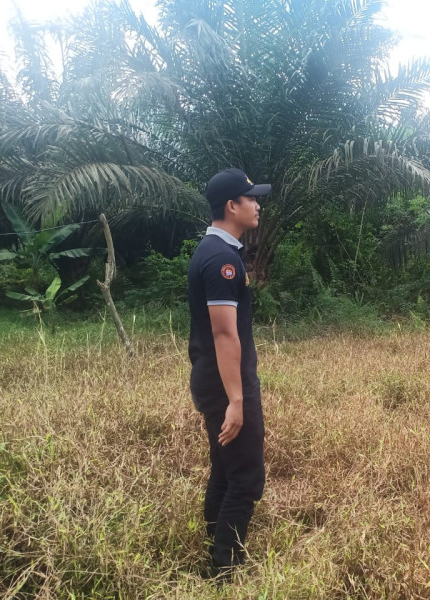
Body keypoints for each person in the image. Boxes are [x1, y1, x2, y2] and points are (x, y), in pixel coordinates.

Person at [187, 168, 271, 574]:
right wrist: (237, 401)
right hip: (227, 386)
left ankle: (214, 553)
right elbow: (224, 334)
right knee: (246, 477)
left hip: (215, 380)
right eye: (251, 198)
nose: (258, 205)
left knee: (225, 469)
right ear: (231, 206)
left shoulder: (218, 251)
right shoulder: (221, 259)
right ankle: (225, 569)